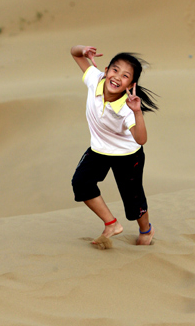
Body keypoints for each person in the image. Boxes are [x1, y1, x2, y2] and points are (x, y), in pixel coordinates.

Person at [70, 45, 158, 249]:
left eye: (125, 76)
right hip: (99, 150)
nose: (118, 77)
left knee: (133, 199)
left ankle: (146, 230)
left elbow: (140, 139)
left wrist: (137, 112)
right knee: (81, 184)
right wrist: (83, 50)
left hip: (127, 154)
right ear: (107, 70)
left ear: (131, 84)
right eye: (115, 70)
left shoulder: (127, 107)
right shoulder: (95, 79)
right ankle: (111, 223)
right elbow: (74, 53)